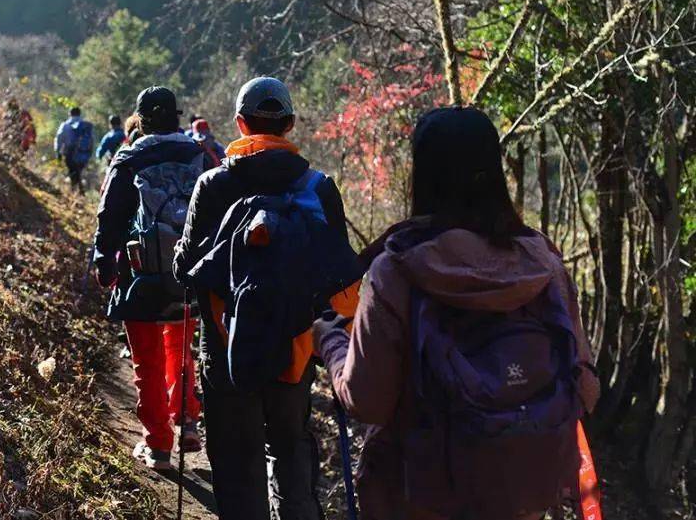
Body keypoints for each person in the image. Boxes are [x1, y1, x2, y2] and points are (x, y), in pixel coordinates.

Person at [314, 106, 601, 520]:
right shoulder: (542, 264)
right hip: (520, 495)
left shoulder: (397, 269)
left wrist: (332, 340)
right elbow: (585, 388)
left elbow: (368, 401)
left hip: (420, 497)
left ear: (422, 176)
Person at [172, 77, 361, 520]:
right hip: (295, 344)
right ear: (290, 125)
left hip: (225, 345)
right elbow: (340, 272)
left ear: (240, 124)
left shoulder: (213, 184)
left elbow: (186, 270)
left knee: (237, 461)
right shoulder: (319, 187)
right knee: (291, 445)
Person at [93, 87, 216, 470]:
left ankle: (159, 446)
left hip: (140, 275)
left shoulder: (129, 159)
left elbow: (109, 217)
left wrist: (103, 262)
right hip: (190, 276)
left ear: (140, 120)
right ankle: (189, 420)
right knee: (181, 353)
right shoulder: (200, 155)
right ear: (177, 117)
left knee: (146, 362)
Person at [54, 107, 94, 193]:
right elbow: (91, 140)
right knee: (78, 172)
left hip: (70, 153)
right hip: (84, 153)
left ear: (70, 114)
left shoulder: (65, 125)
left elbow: (59, 139)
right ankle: (79, 190)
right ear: (80, 114)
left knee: (73, 172)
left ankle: (75, 191)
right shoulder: (86, 125)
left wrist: (58, 153)